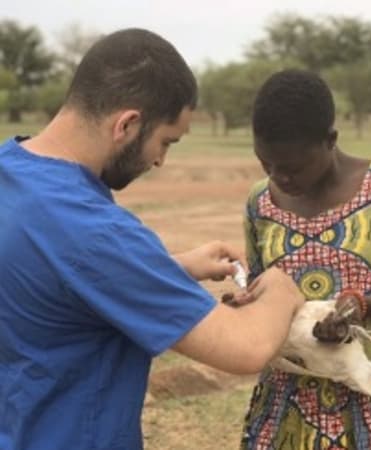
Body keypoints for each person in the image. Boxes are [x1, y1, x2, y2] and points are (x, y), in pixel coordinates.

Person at [0, 29, 304, 450]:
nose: (161, 160)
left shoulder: (11, 171)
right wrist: (282, 289)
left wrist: (169, 268)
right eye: (166, 142)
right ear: (127, 124)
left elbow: (45, 280)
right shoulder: (96, 232)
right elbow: (246, 347)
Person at [239, 69, 371, 449]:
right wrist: (244, 303)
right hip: (280, 417)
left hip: (367, 408)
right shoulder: (260, 203)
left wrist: (365, 306)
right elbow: (263, 302)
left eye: (292, 167)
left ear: (330, 140)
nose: (279, 178)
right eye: (266, 164)